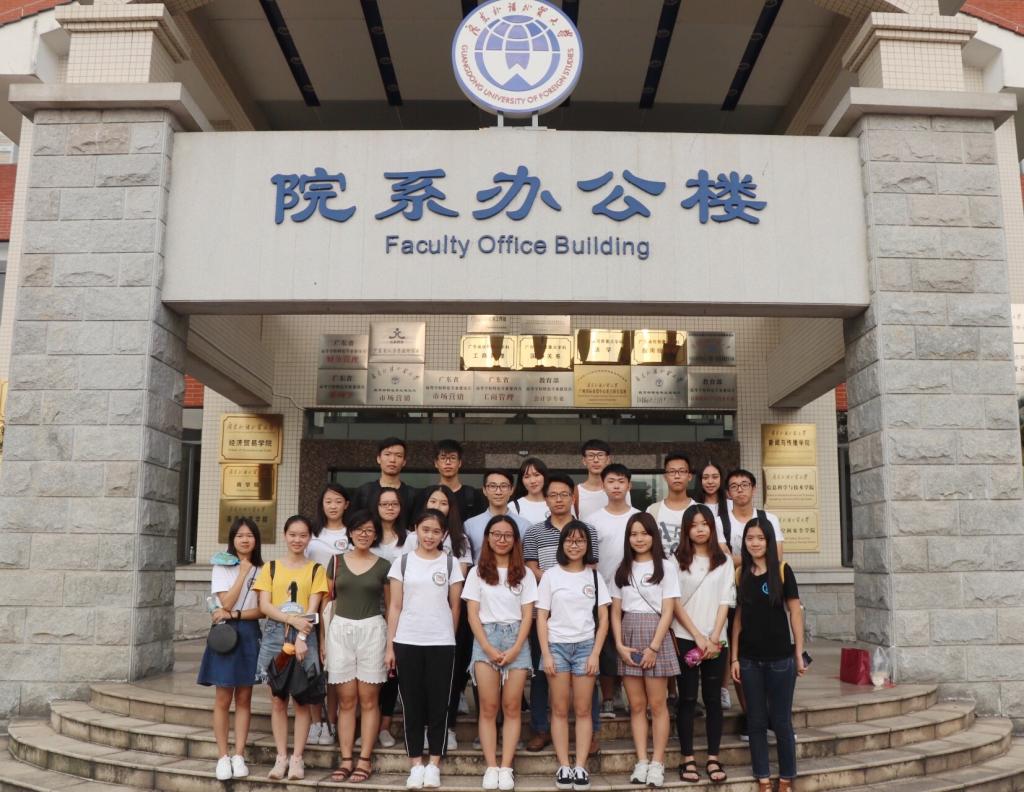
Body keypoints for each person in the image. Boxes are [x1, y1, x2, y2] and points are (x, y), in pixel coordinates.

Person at [385, 509, 465, 789]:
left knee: (439, 705)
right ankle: (416, 764)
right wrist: (390, 646)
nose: (430, 536)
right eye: (425, 529)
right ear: (415, 530)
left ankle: (434, 764)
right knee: (412, 704)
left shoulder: (451, 563)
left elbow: (455, 607)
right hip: (407, 640)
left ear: (444, 534)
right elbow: (395, 606)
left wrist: (447, 635)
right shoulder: (402, 562)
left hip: (441, 643)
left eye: (436, 531)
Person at [522, 473, 601, 755]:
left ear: (573, 497)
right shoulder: (534, 532)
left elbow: (590, 567)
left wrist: (565, 579)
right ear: (545, 499)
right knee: (543, 673)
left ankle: (591, 731)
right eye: (553, 495)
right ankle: (541, 729)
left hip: (580, 615)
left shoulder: (587, 531)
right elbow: (530, 566)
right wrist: (554, 579)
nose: (558, 499)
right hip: (545, 614)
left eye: (564, 494)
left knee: (588, 675)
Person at [730, 518, 806, 792]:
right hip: (749, 661)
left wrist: (798, 652)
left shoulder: (783, 571)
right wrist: (734, 657)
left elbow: (795, 613)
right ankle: (763, 778)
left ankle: (786, 779)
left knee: (782, 722)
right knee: (756, 722)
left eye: (760, 538)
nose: (755, 543)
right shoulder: (740, 573)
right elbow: (738, 619)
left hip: (781, 661)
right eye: (750, 538)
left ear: (769, 541)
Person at [463, 515, 537, 791]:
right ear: (488, 538)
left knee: (512, 706)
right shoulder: (477, 572)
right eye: (496, 534)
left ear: (515, 540)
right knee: (488, 707)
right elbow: (472, 614)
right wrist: (487, 647)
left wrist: (516, 647)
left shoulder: (525, 574)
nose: (501, 540)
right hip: (486, 638)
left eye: (507, 535)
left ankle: (506, 767)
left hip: (517, 638)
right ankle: (491, 766)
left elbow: (528, 615)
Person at [536, 521, 610, 792]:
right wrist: (546, 654)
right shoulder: (550, 576)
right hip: (556, 646)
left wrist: (595, 653)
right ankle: (564, 765)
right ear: (562, 544)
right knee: (558, 708)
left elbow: (604, 618)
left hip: (585, 647)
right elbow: (541, 617)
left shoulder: (594, 577)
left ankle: (580, 765)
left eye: (580, 540)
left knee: (583, 709)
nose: (574, 545)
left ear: (587, 545)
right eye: (569, 540)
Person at [253, 515, 328, 781]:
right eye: (293, 534)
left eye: (303, 535)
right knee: (277, 699)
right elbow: (264, 605)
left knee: (302, 698)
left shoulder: (316, 569)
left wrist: (301, 635)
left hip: (305, 634)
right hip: (275, 633)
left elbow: (313, 608)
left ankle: (297, 758)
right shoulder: (270, 568)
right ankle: (281, 757)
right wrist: (290, 620)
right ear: (285, 536)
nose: (297, 540)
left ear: (310, 538)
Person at [610, 512, 680, 788]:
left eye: (644, 533)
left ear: (654, 536)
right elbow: (615, 611)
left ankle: (657, 762)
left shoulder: (666, 567)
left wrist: (654, 647)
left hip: (655, 635)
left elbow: (668, 610)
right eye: (634, 534)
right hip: (628, 634)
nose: (639, 539)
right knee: (636, 705)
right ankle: (641, 760)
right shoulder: (621, 569)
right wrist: (619, 644)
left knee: (657, 704)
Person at [324, 509, 391, 784]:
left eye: (369, 530)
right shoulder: (336, 562)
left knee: (369, 699)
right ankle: (346, 759)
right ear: (350, 532)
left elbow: (391, 607)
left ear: (376, 535)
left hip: (373, 630)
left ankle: (364, 759)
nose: (364, 534)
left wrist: (391, 646)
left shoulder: (384, 565)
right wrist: (322, 641)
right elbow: (326, 603)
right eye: (359, 529)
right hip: (340, 630)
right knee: (346, 700)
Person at [196, 517, 264, 781]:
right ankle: (223, 756)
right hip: (225, 636)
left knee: (245, 698)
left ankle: (239, 755)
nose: (245, 540)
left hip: (248, 632)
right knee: (223, 698)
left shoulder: (264, 569)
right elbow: (225, 601)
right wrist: (244, 573)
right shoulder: (222, 566)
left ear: (256, 539)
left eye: (250, 535)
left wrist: (235, 613)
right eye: (239, 535)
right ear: (232, 539)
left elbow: (262, 610)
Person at [673, 505, 735, 785]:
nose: (699, 529)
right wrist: (697, 636)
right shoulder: (676, 560)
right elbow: (674, 603)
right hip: (686, 637)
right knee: (687, 699)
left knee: (712, 700)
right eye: (694, 525)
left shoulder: (724, 561)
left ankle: (713, 757)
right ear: (686, 530)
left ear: (712, 527)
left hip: (716, 640)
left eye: (704, 524)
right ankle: (687, 758)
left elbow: (725, 601)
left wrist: (713, 637)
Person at [410, 484, 473, 750]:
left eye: (443, 502)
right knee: (421, 679)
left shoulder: (460, 539)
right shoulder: (411, 537)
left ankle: (448, 728)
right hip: (416, 618)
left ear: (451, 508)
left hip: (449, 614)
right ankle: (424, 728)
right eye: (433, 501)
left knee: (448, 677)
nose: (437, 506)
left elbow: (458, 580)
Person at [723, 468, 784, 737]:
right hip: (734, 590)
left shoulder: (769, 518)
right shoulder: (721, 520)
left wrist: (741, 558)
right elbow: (722, 558)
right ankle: (751, 715)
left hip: (768, 593)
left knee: (771, 655)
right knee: (742, 654)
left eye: (745, 484)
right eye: (734, 486)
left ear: (754, 488)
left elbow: (777, 556)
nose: (740, 489)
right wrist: (755, 557)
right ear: (728, 492)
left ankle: (773, 717)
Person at [588, 463, 639, 720]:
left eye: (621, 481)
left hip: (635, 593)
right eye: (611, 481)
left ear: (629, 485)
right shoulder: (592, 521)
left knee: (631, 644)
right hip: (603, 593)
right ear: (603, 485)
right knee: (607, 648)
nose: (616, 486)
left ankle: (632, 698)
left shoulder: (639, 518)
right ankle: (608, 698)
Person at [305, 482, 351, 747]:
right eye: (328, 501)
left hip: (342, 607)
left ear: (347, 505)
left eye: (338, 501)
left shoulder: (353, 532)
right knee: (313, 666)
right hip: (312, 605)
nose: (333, 506)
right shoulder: (312, 533)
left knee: (334, 668)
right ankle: (315, 722)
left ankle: (331, 722)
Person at [367, 485, 409, 748]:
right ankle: (366, 725)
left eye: (394, 504)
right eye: (384, 504)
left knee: (392, 672)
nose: (389, 508)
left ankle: (384, 726)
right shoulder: (367, 536)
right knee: (370, 672)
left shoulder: (410, 539)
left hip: (401, 613)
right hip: (369, 613)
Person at [464, 469, 532, 564]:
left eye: (503, 486)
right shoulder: (470, 525)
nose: (498, 492)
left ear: (511, 490)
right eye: (493, 486)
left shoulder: (525, 526)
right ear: (484, 490)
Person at [646, 454, 703, 556]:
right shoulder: (652, 511)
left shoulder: (701, 510)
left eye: (682, 471)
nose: (677, 476)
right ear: (665, 477)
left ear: (689, 476)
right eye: (672, 472)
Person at [351, 437, 418, 516]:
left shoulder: (411, 495)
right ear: (378, 459)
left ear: (404, 462)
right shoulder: (364, 492)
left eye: (398, 455)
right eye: (387, 454)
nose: (392, 460)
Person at [574, 439, 631, 520]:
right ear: (584, 460)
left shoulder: (620, 490)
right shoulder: (576, 492)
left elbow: (628, 517)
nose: (596, 460)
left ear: (608, 459)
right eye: (591, 455)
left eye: (600, 455)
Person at [434, 438, 486, 520]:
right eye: (443, 458)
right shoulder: (428, 495)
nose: (448, 462)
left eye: (453, 458)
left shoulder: (473, 495)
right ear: (436, 463)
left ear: (460, 463)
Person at [511, 456, 550, 526]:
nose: (532, 481)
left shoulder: (556, 503)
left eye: (536, 475)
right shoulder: (513, 507)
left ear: (545, 476)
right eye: (527, 477)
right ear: (521, 481)